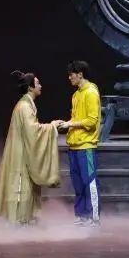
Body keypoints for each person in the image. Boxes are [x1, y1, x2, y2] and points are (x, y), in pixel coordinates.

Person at [0, 71, 61, 225]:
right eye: (38, 83)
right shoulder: (24, 107)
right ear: (30, 87)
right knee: (21, 185)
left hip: (21, 149)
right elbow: (33, 131)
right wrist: (52, 126)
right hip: (21, 153)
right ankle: (19, 220)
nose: (40, 86)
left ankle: (23, 220)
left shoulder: (25, 104)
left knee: (24, 185)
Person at [57, 60, 101, 226]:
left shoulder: (91, 93)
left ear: (80, 74)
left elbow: (91, 121)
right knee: (78, 183)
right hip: (74, 146)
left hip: (86, 146)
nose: (69, 78)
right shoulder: (76, 95)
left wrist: (70, 124)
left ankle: (93, 217)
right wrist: (66, 123)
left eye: (71, 75)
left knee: (89, 182)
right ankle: (82, 215)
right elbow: (76, 119)